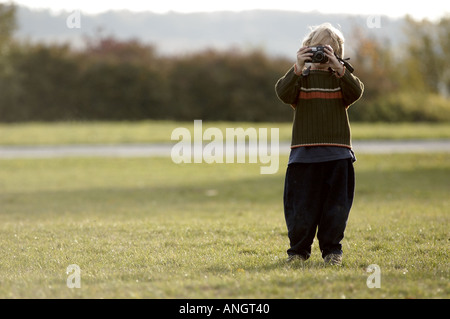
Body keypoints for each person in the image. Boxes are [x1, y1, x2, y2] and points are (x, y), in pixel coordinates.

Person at [275, 23, 364, 265]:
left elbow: (356, 92)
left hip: (338, 155)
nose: (322, 56)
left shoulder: (340, 78)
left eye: (329, 51)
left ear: (337, 52)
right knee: (300, 209)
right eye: (317, 49)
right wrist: (297, 66)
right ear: (306, 48)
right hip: (304, 156)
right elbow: (283, 93)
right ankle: (298, 252)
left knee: (336, 209)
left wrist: (339, 68)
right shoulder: (300, 78)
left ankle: (332, 251)